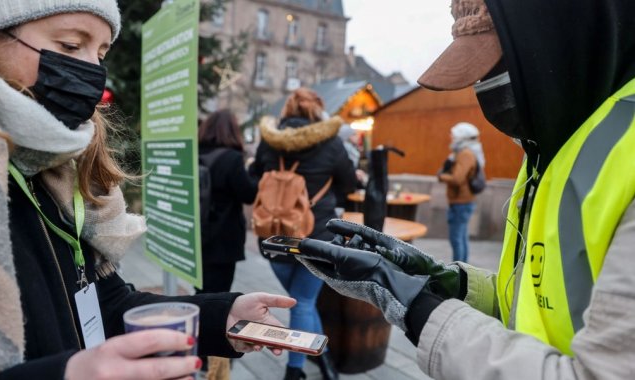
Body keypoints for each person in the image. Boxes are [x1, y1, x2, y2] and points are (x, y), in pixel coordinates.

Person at [296, 0, 635, 379]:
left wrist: (417, 308)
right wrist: (444, 279)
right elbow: (527, 306)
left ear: (562, 38)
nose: (483, 87)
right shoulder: (553, 148)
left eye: (495, 65)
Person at [0, 1, 296, 379]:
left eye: (102, 53)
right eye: (71, 46)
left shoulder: (54, 166)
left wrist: (222, 315)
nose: (92, 69)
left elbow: (106, 301)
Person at [249, 88, 357, 380]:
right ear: (317, 111)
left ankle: (322, 360)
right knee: (304, 302)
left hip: (273, 238)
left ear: (287, 110)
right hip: (316, 238)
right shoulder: (332, 144)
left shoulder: (268, 142)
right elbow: (349, 185)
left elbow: (254, 177)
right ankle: (294, 371)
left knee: (301, 302)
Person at [197, 109, 258, 294]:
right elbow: (248, 194)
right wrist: (255, 172)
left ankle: (200, 320)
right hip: (222, 238)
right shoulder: (231, 158)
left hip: (197, 233)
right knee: (218, 292)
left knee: (201, 288)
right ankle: (210, 323)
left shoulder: (195, 153)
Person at [437, 122, 485, 262]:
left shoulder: (465, 154)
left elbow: (457, 179)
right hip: (463, 201)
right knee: (461, 237)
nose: (452, 138)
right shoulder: (465, 152)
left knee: (456, 239)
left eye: (454, 136)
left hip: (461, 202)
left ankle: (458, 270)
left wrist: (441, 176)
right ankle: (463, 268)